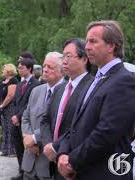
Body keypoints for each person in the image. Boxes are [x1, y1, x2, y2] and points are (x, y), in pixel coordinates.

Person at [56, 20, 135, 180]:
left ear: (111, 46)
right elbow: (76, 126)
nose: (87, 47)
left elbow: (106, 133)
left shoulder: (124, 80)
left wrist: (72, 161)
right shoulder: (94, 80)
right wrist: (63, 152)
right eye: (87, 42)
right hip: (84, 170)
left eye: (93, 41)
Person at [40, 38, 93, 180]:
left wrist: (58, 148)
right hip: (54, 160)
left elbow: (83, 127)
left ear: (84, 59)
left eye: (69, 56)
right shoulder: (60, 88)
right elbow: (45, 120)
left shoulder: (92, 87)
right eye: (63, 56)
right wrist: (48, 145)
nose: (64, 60)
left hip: (74, 163)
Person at [21, 52, 64, 180]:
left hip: (48, 164)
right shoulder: (37, 91)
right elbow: (25, 117)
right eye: (44, 65)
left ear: (62, 71)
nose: (45, 69)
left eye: (50, 67)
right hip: (29, 162)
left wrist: (35, 139)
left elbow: (57, 123)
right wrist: (28, 141)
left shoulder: (68, 92)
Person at [11, 53, 40, 180]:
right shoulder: (19, 84)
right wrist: (13, 116)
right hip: (15, 121)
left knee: (27, 148)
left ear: (29, 69)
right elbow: (15, 102)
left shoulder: (36, 84)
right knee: (18, 147)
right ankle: (21, 171)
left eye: (22, 67)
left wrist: (18, 116)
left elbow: (30, 104)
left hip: (26, 122)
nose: (19, 69)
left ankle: (28, 172)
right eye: (18, 67)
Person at [0, 64, 18, 156]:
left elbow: (11, 95)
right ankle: (5, 149)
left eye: (4, 69)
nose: (2, 70)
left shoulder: (13, 80)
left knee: (10, 128)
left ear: (9, 70)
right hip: (4, 107)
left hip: (10, 106)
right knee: (5, 128)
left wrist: (2, 105)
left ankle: (12, 150)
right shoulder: (4, 81)